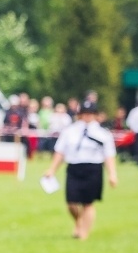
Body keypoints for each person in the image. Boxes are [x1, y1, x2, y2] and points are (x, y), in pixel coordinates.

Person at [43, 100, 118, 240]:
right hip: (74, 168)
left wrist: (112, 174)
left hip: (93, 168)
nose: (87, 117)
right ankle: (78, 221)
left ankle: (84, 233)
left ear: (95, 115)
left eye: (90, 114)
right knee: (71, 202)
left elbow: (109, 155)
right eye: (84, 114)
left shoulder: (103, 133)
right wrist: (52, 169)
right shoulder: (69, 131)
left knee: (88, 203)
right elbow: (60, 152)